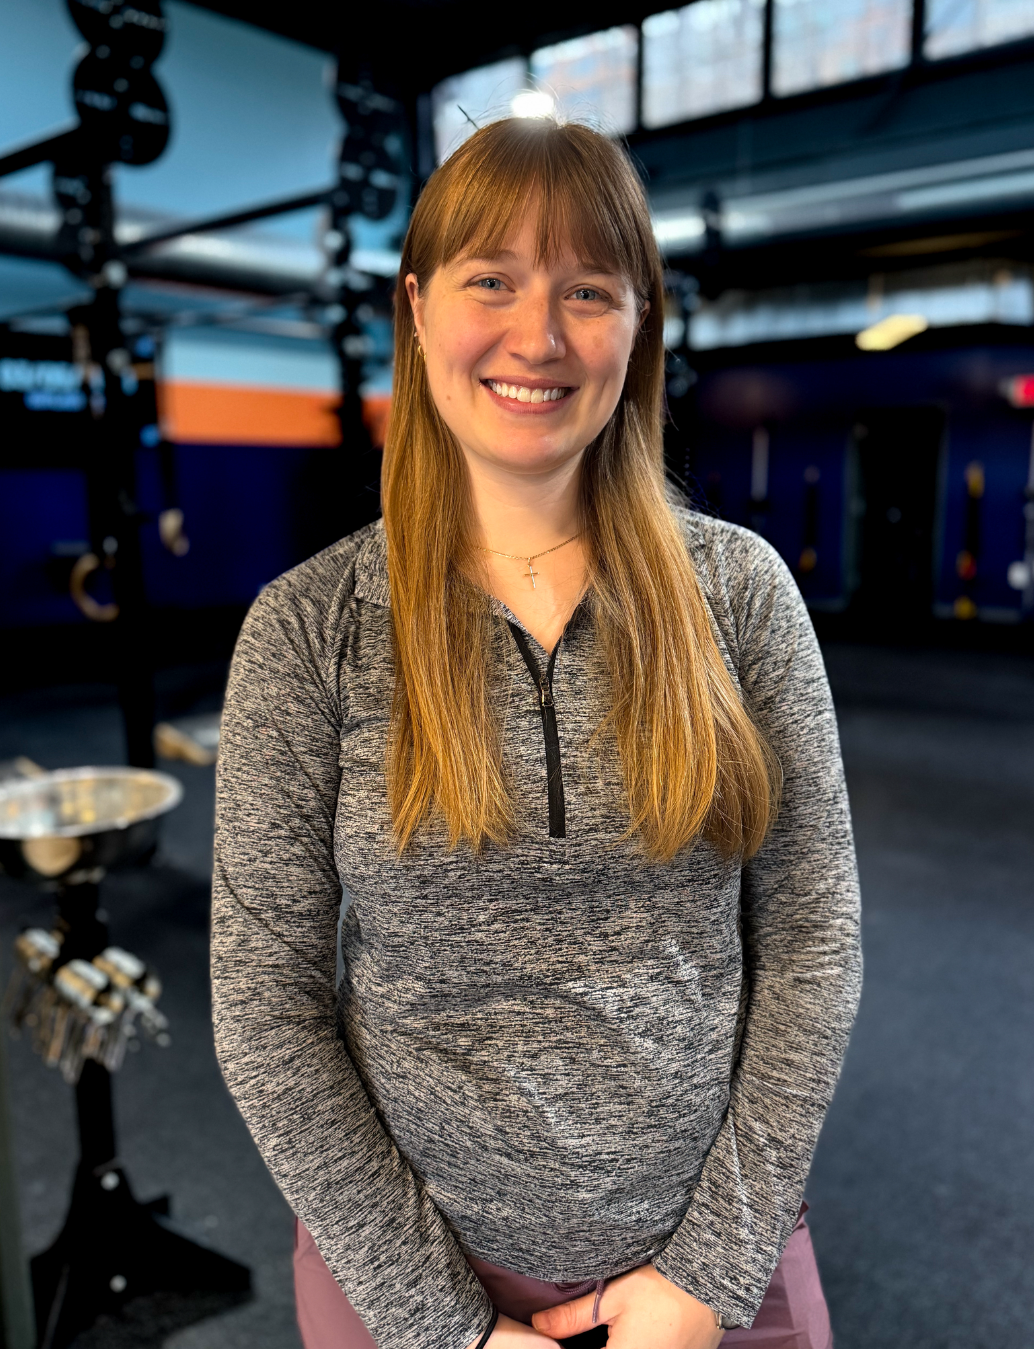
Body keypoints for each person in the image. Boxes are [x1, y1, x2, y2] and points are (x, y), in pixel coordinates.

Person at [211, 117, 862, 1350]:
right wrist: (448, 1327)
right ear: (417, 310)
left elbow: (812, 944)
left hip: (715, 1273)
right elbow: (264, 1007)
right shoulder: (308, 630)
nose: (539, 336)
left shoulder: (740, 595)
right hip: (407, 1279)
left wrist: (707, 1278)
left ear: (641, 323)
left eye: (588, 291)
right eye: (492, 281)